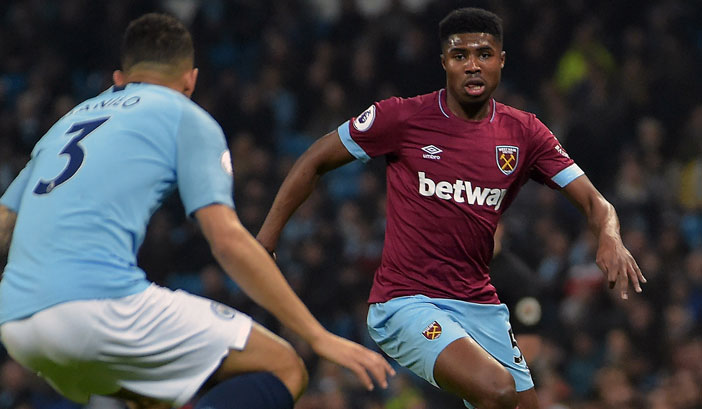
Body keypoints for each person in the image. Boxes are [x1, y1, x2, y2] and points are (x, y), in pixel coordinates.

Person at [0, 13, 394, 409]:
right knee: (282, 366)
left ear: (119, 79)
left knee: (156, 397)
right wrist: (317, 335)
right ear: (190, 80)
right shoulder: (183, 115)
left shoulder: (63, 126)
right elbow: (227, 239)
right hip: (96, 306)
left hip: (18, 326)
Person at [257, 7, 645, 409]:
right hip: (405, 302)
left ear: (501, 60)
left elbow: (595, 202)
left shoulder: (525, 133)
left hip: (478, 303)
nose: (473, 65)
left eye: (484, 54)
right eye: (460, 56)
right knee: (497, 391)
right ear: (444, 62)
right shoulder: (403, 117)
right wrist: (265, 241)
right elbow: (314, 159)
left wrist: (610, 236)